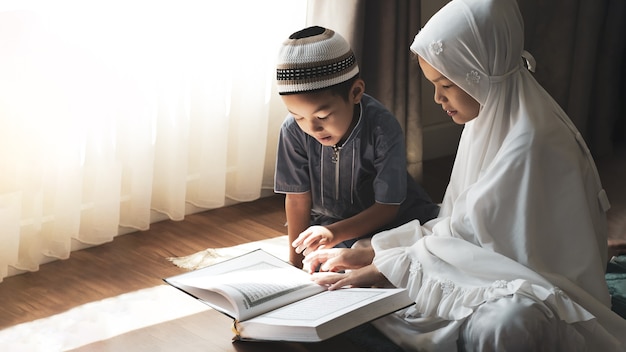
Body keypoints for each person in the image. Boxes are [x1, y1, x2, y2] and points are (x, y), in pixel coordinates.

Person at [306, 0, 626, 350]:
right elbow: (460, 224)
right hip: (496, 262)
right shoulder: (489, 117)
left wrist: (380, 266)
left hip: (539, 282)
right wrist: (374, 252)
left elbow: (468, 236)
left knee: (502, 325)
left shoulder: (530, 140)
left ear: (482, 71)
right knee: (393, 283)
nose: (438, 98)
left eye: (446, 85)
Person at [274, 26, 440, 269]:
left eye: (323, 116)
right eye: (298, 116)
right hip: (332, 222)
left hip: (390, 218)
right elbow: (298, 200)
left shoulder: (382, 128)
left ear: (356, 92)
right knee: (321, 263)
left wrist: (334, 234)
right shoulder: (292, 131)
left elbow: (387, 207)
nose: (312, 128)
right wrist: (295, 263)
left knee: (410, 254)